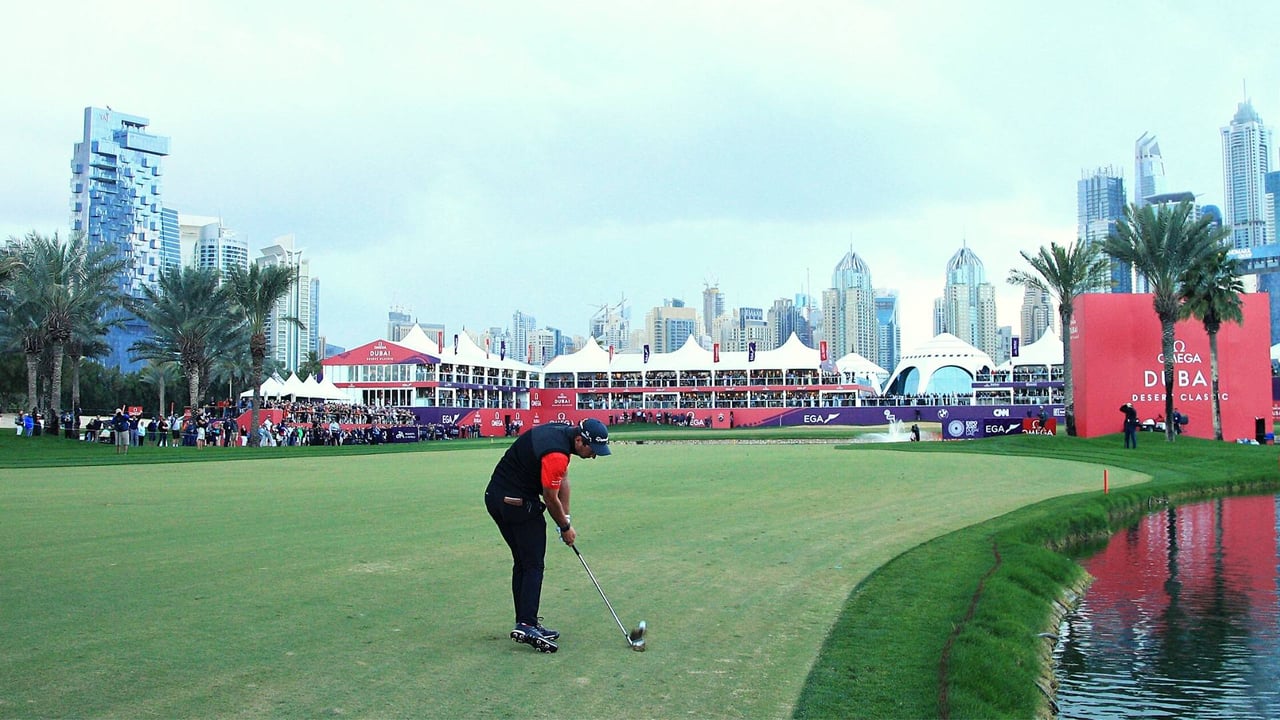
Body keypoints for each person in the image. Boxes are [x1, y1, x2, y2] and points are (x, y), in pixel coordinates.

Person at [484, 418, 611, 654]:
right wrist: (564, 528)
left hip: (496, 497)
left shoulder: (561, 436)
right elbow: (550, 497)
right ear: (579, 440)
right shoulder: (556, 454)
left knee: (523, 562)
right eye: (592, 449)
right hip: (516, 502)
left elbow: (563, 480)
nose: (594, 455)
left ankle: (525, 621)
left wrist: (567, 518)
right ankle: (526, 624)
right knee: (533, 564)